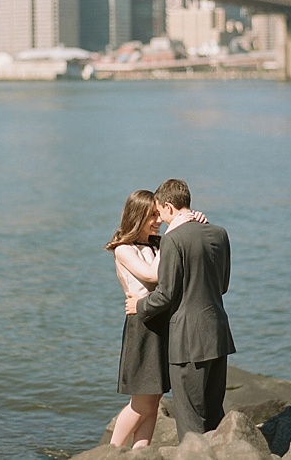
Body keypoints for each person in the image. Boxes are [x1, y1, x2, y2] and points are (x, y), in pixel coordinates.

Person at [125, 178, 235, 441]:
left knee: (190, 422)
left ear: (168, 206)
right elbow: (223, 285)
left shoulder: (173, 240)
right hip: (218, 334)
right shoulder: (220, 233)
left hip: (188, 342)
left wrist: (139, 305)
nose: (160, 221)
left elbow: (165, 295)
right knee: (214, 415)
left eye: (160, 213)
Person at [105, 190, 208, 449]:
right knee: (141, 402)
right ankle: (109, 451)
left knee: (154, 399)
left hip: (163, 323)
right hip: (143, 326)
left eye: (158, 214)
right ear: (137, 216)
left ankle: (141, 453)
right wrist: (175, 230)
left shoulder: (158, 244)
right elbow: (152, 275)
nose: (158, 220)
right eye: (152, 215)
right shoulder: (123, 249)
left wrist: (194, 222)